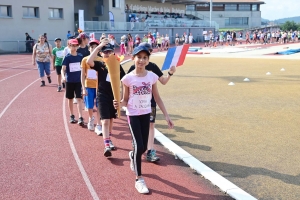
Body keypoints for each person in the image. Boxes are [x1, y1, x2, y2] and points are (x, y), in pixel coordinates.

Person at [114, 46, 174, 194]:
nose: (141, 60)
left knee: (142, 148)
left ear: (148, 60)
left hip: (146, 113)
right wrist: (118, 103)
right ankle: (139, 179)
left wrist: (166, 116)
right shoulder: (127, 78)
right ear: (133, 58)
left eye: (144, 58)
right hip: (133, 114)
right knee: (139, 146)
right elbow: (125, 100)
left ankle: (133, 155)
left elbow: (157, 97)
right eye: (139, 57)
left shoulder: (152, 76)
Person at [127, 42, 176, 162]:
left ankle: (150, 151)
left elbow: (163, 82)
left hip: (150, 104)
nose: (143, 59)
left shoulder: (153, 67)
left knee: (151, 125)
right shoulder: (133, 67)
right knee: (138, 128)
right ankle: (137, 142)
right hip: (135, 106)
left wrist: (170, 73)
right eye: (140, 55)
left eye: (147, 54)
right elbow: (127, 87)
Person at [87, 42, 126, 157]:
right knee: (105, 120)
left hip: (114, 96)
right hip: (102, 95)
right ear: (101, 53)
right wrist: (98, 47)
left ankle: (109, 138)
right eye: (105, 52)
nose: (107, 54)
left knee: (111, 119)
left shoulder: (117, 64)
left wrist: (122, 98)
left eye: (109, 51)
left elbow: (124, 81)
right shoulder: (100, 64)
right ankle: (106, 145)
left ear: (113, 52)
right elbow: (89, 61)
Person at [81, 39, 103, 135]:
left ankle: (98, 124)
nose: (93, 49)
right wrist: (83, 87)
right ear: (89, 49)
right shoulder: (85, 60)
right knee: (89, 106)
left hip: (98, 87)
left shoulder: (101, 60)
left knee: (98, 107)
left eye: (95, 47)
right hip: (88, 86)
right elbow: (82, 75)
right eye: (91, 47)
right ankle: (91, 118)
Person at [61, 39, 84, 125]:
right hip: (70, 81)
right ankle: (71, 115)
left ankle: (80, 117)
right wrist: (63, 77)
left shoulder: (80, 56)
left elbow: (83, 68)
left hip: (78, 81)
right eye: (72, 45)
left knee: (79, 99)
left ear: (77, 46)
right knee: (70, 98)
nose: (74, 47)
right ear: (69, 46)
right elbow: (62, 69)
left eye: (75, 46)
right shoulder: (67, 57)